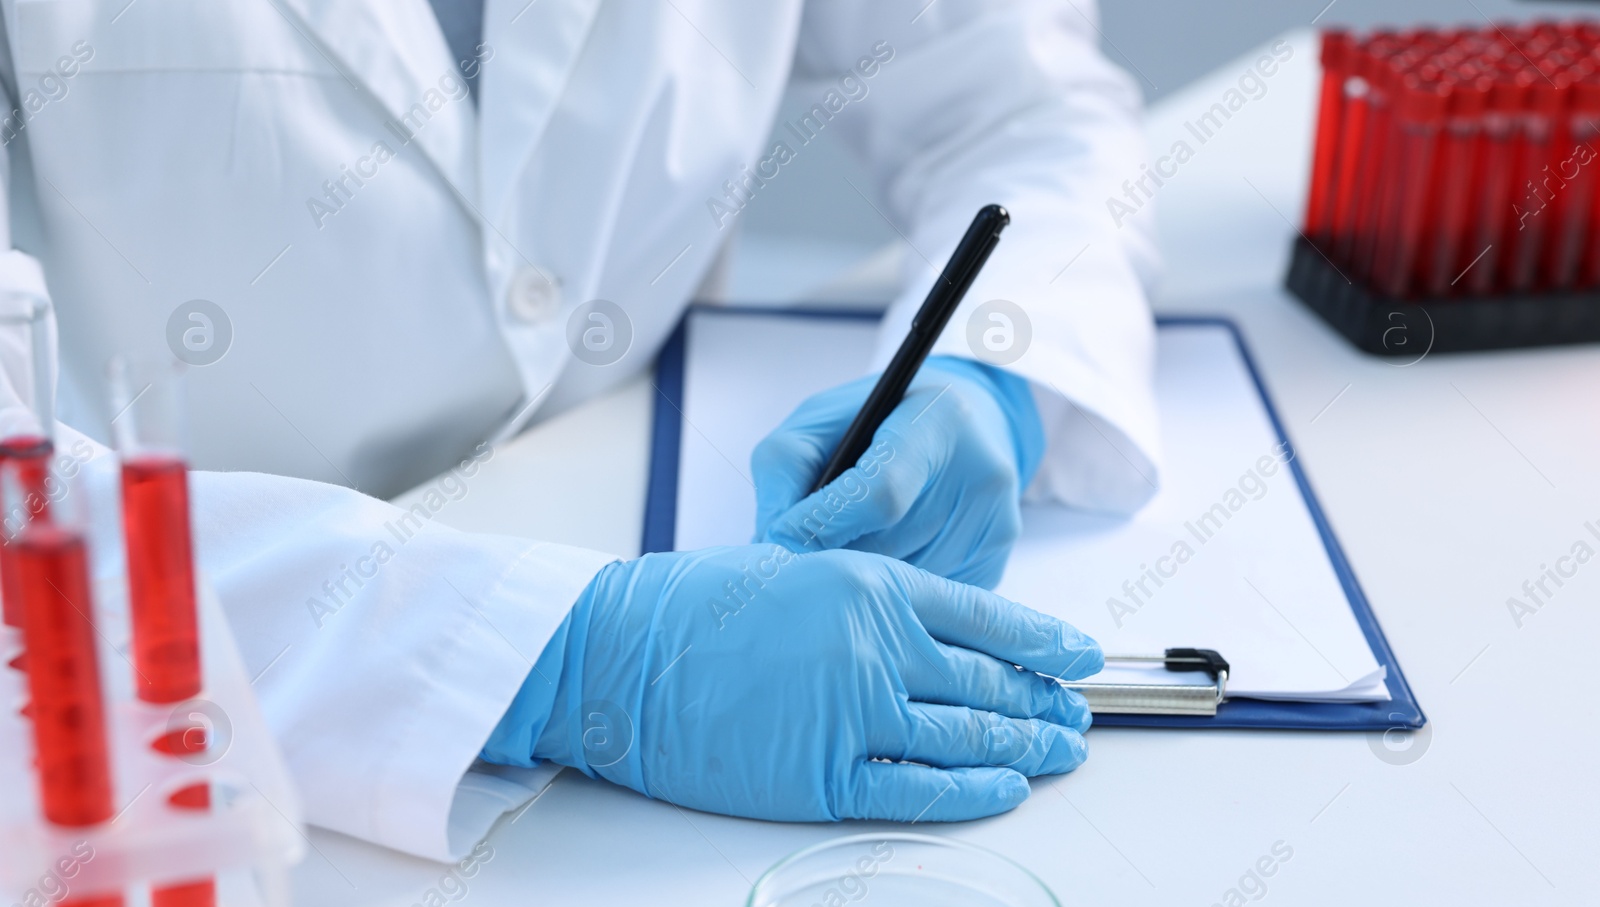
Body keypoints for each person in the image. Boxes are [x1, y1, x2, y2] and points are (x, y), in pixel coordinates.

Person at [0, 0, 1159, 861]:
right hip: (227, 774)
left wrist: (992, 365)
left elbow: (1014, 103)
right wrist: (562, 656)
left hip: (666, 585)